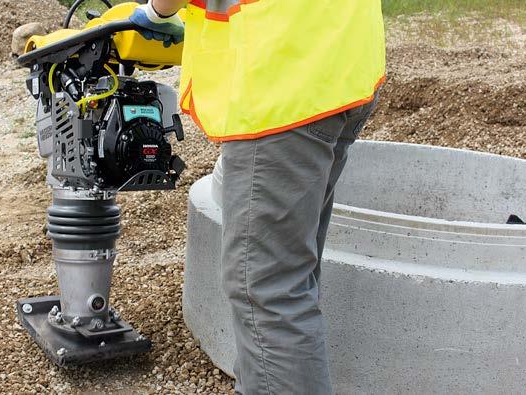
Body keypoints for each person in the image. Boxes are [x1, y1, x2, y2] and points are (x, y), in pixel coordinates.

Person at [131, 1, 386, 394]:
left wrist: (156, 12)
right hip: (340, 58)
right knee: (289, 279)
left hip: (284, 79)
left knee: (267, 287)